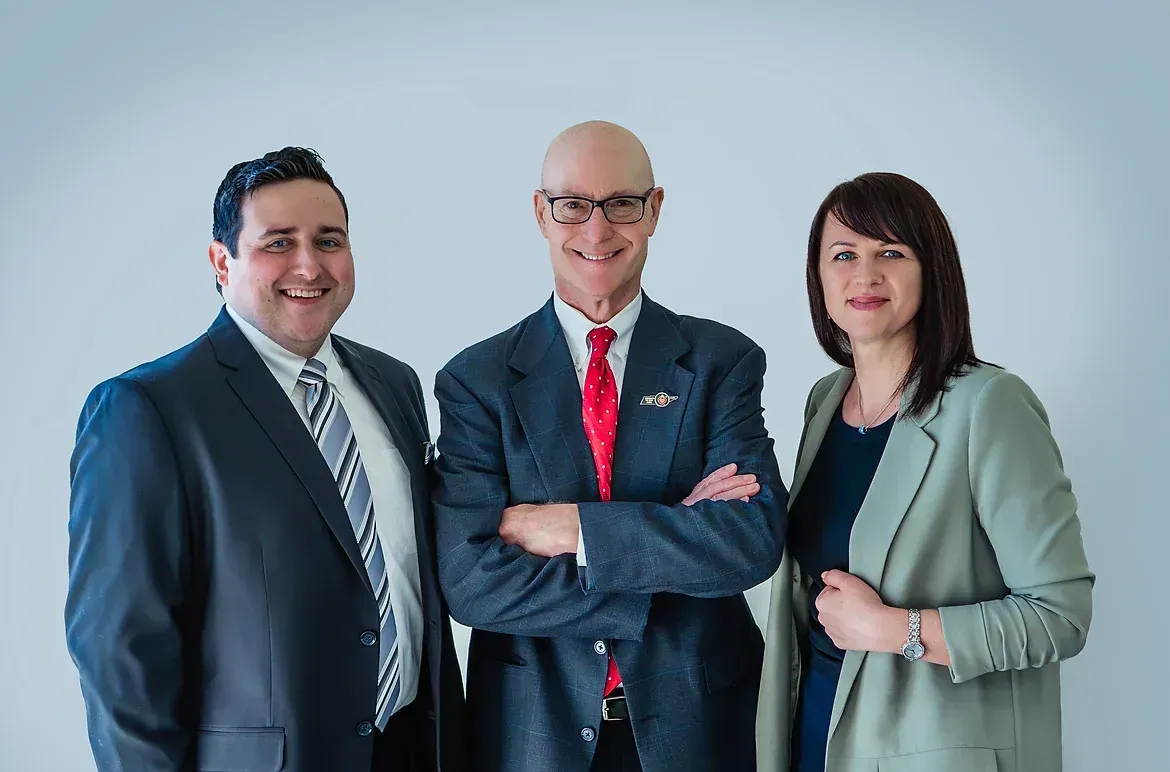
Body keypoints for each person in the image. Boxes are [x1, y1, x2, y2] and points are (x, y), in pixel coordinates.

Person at [64, 147, 466, 772]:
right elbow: (120, 654)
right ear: (222, 262)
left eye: (328, 239)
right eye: (278, 242)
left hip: (411, 750)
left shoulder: (395, 384)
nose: (309, 264)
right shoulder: (149, 409)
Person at [431, 120, 789, 772]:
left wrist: (577, 530)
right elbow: (470, 583)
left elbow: (751, 542)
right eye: (572, 206)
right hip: (534, 736)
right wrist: (676, 538)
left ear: (654, 210)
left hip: (698, 729)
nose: (597, 231)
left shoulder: (721, 363)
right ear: (541, 214)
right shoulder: (475, 382)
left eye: (622, 204)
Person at [756, 172, 1095, 772]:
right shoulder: (826, 400)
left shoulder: (990, 405)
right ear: (819, 278)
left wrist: (893, 629)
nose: (865, 274)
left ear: (930, 270)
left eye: (891, 251)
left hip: (930, 752)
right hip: (818, 735)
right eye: (844, 254)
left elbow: (1058, 618)